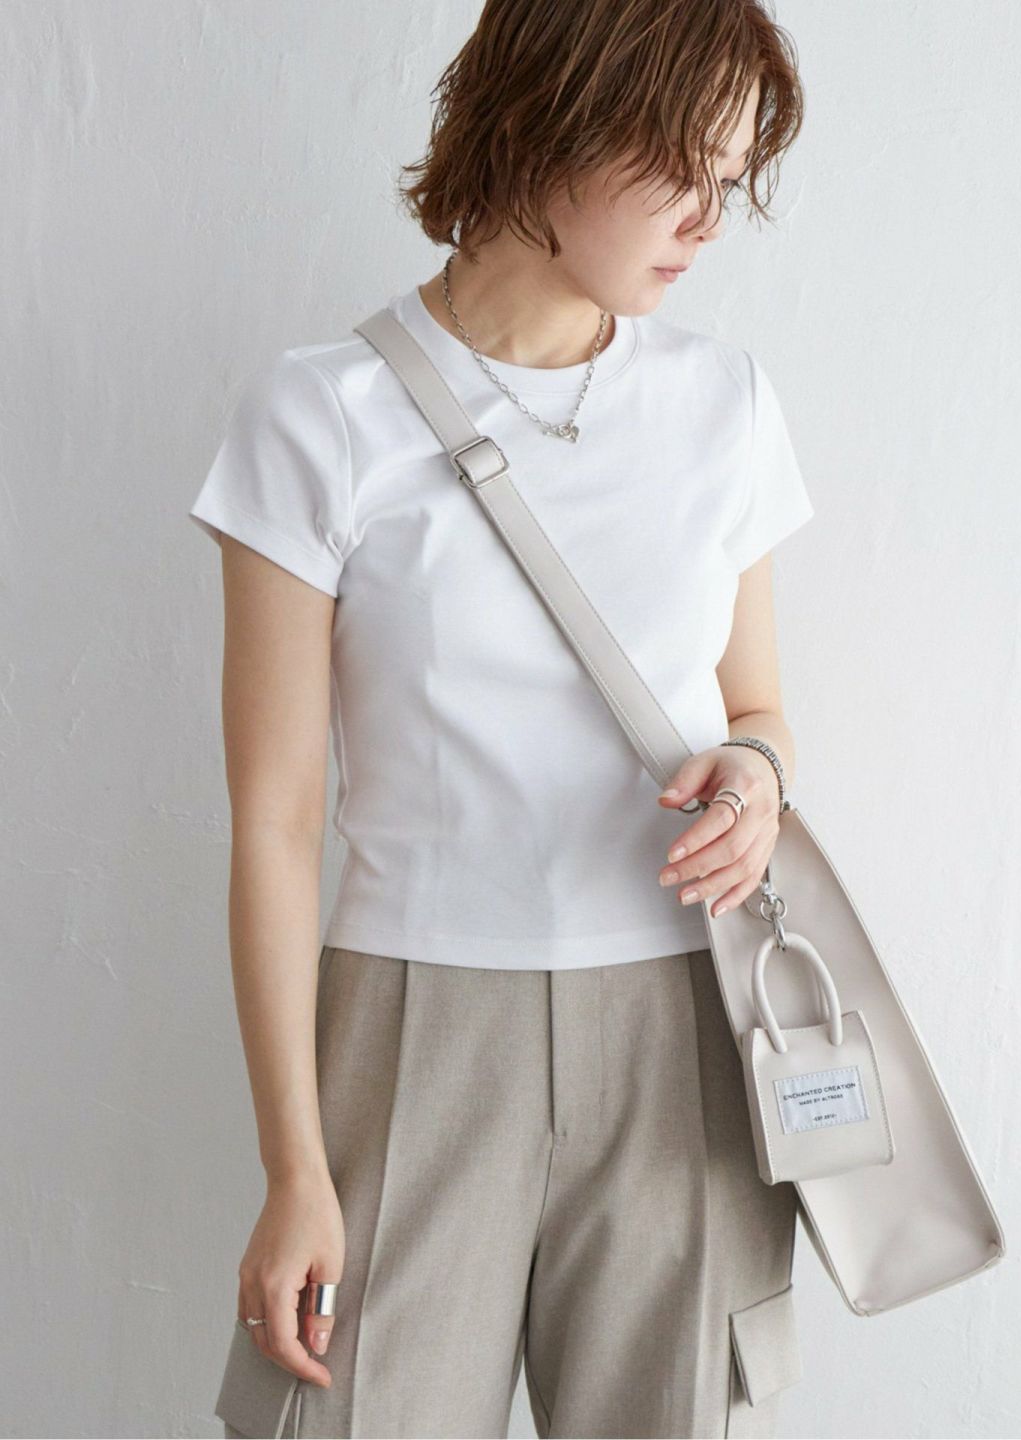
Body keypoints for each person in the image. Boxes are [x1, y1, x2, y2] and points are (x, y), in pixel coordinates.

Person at [190, 1, 815, 1435]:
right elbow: (276, 821)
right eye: (682, 166)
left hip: (681, 1021)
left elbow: (762, 708)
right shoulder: (321, 415)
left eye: (731, 180)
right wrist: (295, 1167)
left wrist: (756, 778)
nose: (708, 218)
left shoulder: (723, 404)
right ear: (553, 122)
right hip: (415, 1019)